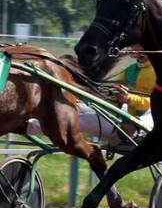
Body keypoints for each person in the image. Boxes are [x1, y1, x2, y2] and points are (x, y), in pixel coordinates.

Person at [26, 47, 155, 143]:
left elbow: (160, 102)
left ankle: (132, 130)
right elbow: (114, 100)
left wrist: (130, 99)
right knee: (72, 117)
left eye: (139, 44)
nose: (134, 47)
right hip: (122, 121)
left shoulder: (157, 71)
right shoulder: (130, 69)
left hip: (149, 122)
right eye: (134, 44)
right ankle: (29, 125)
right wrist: (112, 96)